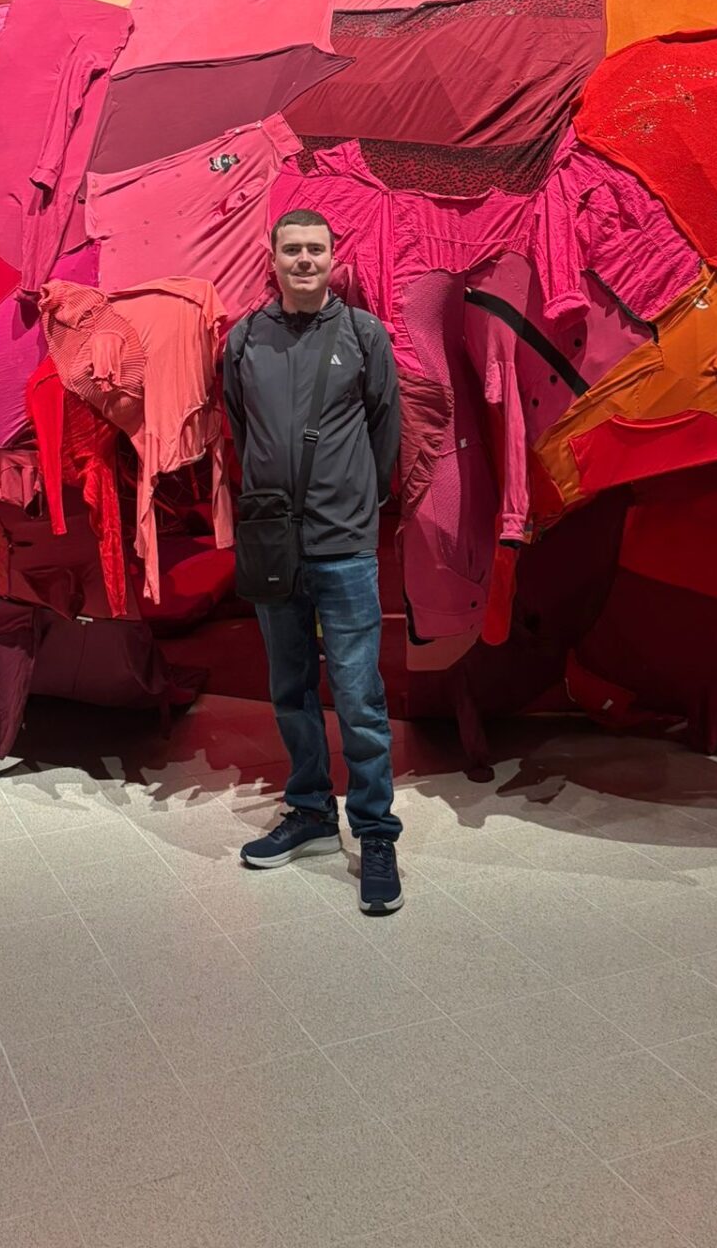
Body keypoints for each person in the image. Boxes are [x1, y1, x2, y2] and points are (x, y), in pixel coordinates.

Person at [222, 208, 405, 914]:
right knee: (290, 688)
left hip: (345, 543)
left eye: (316, 250)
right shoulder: (244, 341)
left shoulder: (364, 335)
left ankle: (376, 833)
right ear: (272, 259)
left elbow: (385, 427)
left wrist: (358, 498)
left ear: (334, 258)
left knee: (359, 694)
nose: (304, 260)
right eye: (292, 249)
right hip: (274, 544)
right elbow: (241, 429)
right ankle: (309, 812)